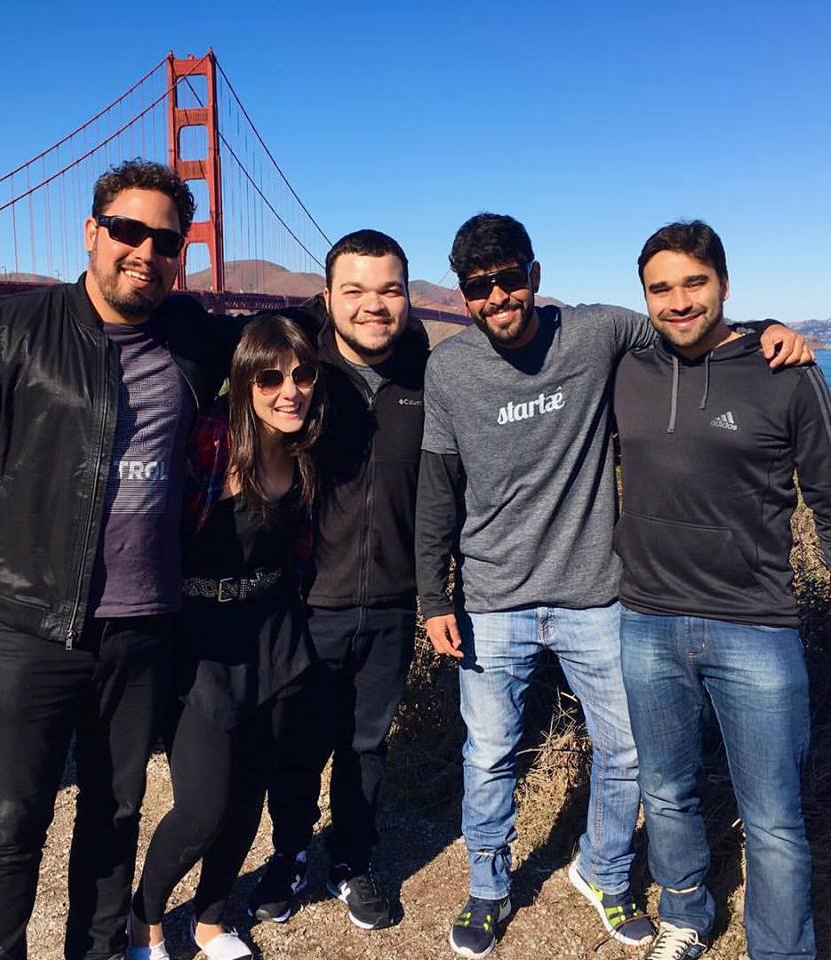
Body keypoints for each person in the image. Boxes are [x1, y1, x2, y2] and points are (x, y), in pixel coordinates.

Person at [414, 213, 812, 960]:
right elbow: (437, 487)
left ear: (534, 274)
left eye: (509, 279)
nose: (497, 296)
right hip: (493, 599)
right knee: (489, 752)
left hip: (596, 593)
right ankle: (489, 890)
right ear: (465, 294)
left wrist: (768, 328)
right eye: (479, 287)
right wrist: (435, 598)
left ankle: (602, 872)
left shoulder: (597, 332)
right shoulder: (450, 368)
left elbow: (689, 322)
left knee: (627, 752)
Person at [0, 160, 239, 960]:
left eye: (165, 240)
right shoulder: (14, 327)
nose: (145, 251)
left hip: (143, 630)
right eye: (127, 231)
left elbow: (302, 345)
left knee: (113, 819)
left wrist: (382, 317)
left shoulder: (194, 335)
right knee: (9, 824)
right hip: (29, 624)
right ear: (92, 233)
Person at [615, 221, 828, 960]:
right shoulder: (628, 368)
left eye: (694, 283)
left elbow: (827, 495)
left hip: (756, 624)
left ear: (725, 284)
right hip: (645, 618)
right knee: (666, 790)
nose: (678, 302)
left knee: (772, 818)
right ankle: (687, 914)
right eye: (661, 288)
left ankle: (782, 950)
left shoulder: (788, 372)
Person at [125, 313, 326, 960]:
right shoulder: (208, 439)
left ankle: (211, 921)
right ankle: (145, 921)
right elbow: (152, 532)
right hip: (201, 643)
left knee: (247, 801)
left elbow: (297, 545)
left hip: (273, 637)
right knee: (202, 808)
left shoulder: (304, 445)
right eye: (270, 377)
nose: (289, 390)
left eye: (302, 375)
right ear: (244, 382)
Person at [248, 230, 428, 930]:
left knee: (366, 747)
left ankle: (352, 861)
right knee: (296, 746)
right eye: (353, 290)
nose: (373, 305)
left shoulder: (427, 377)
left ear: (408, 297)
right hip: (303, 602)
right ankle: (289, 855)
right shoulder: (300, 372)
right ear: (327, 298)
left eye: (389, 290)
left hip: (391, 601)